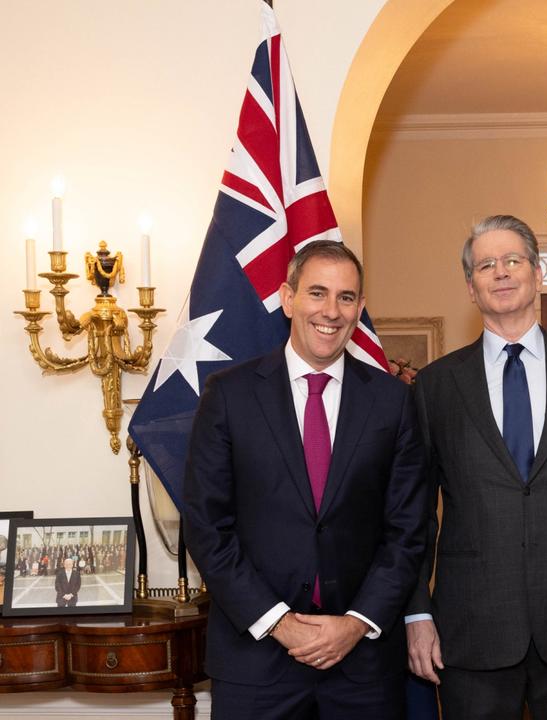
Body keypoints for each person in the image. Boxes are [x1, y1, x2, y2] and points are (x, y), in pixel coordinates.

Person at [404, 215, 547, 720]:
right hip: (470, 631)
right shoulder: (437, 386)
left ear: (538, 272)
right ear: (471, 287)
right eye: (486, 265)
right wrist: (417, 610)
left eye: (513, 260)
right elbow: (413, 512)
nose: (502, 272)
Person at [184, 240, 429, 719]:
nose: (331, 311)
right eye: (317, 293)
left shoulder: (392, 401)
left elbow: (407, 530)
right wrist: (280, 623)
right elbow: (207, 528)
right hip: (256, 662)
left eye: (346, 297)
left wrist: (357, 623)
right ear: (287, 298)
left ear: (359, 308)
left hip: (362, 666)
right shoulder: (229, 396)